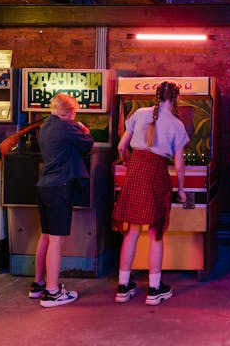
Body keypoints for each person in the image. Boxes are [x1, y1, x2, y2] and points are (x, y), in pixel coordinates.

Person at [112, 81, 189, 306]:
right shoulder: (177, 125)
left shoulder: (139, 113)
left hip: (135, 171)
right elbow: (179, 162)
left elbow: (120, 147)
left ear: (156, 96)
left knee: (132, 231)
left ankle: (123, 287)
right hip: (157, 174)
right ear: (175, 100)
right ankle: (154, 290)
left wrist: (128, 164)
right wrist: (181, 190)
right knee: (156, 232)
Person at [29, 93, 94, 308]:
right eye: (74, 112)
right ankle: (52, 292)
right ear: (68, 112)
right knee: (57, 239)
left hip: (44, 186)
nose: (74, 115)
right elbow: (87, 144)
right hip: (60, 187)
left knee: (46, 236)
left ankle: (38, 284)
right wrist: (84, 129)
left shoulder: (46, 126)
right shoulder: (66, 126)